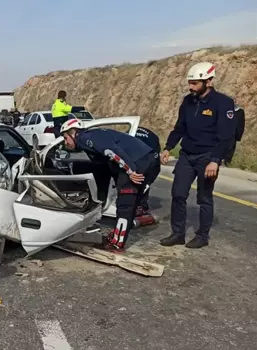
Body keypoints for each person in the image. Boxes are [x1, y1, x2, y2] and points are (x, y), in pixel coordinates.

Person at [159, 62, 235, 249]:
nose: (191, 87)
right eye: (190, 83)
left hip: (208, 157)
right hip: (187, 154)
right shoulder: (188, 101)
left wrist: (215, 161)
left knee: (204, 198)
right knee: (178, 194)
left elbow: (226, 137)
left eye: (195, 83)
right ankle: (178, 234)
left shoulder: (223, 103)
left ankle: (202, 236)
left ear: (208, 81)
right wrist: (168, 147)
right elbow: (180, 128)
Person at [60, 118, 160, 253]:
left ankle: (117, 244)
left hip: (138, 162)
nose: (65, 142)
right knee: (130, 205)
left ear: (74, 133)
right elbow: (105, 162)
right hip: (149, 160)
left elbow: (111, 151)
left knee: (125, 205)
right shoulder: (93, 137)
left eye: (66, 138)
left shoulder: (85, 138)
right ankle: (118, 236)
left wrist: (130, 170)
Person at [134, 126, 161, 216]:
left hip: (150, 159)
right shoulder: (126, 140)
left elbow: (155, 169)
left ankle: (141, 205)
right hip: (134, 152)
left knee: (144, 182)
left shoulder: (152, 155)